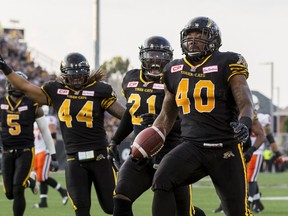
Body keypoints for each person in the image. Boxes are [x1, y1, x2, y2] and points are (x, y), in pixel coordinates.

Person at [138, 16, 255, 216]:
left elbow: (245, 100)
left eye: (200, 36)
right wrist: (149, 137)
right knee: (162, 181)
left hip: (224, 147)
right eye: (189, 36)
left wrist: (244, 122)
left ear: (214, 40)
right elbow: (167, 115)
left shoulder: (227, 62)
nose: (193, 40)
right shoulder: (174, 69)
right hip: (191, 145)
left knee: (237, 212)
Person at [0, 52, 126, 216]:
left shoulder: (100, 90)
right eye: (73, 76)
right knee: (81, 209)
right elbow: (24, 86)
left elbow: (126, 115)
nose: (77, 80)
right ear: (64, 75)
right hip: (74, 160)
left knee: (111, 207)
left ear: (86, 73)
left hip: (100, 157)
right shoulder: (55, 90)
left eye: (80, 76)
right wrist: (4, 66)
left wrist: (124, 134)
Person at [108, 36, 205, 216]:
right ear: (142, 57)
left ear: (169, 58)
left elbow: (189, 121)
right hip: (141, 154)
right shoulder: (130, 78)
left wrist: (158, 126)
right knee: (120, 196)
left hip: (171, 155)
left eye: (160, 56)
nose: (155, 61)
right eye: (151, 55)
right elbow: (131, 113)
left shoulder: (177, 78)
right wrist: (115, 140)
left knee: (183, 212)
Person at [0, 71, 58, 216]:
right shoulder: (1, 103)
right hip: (7, 151)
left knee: (18, 188)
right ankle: (30, 181)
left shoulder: (32, 105)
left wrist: (54, 156)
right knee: (9, 193)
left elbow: (45, 131)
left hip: (25, 151)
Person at [33, 105, 68, 208]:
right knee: (41, 178)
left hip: (45, 151)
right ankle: (43, 202)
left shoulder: (49, 119)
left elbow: (53, 136)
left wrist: (50, 152)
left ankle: (62, 191)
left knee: (42, 177)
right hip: (37, 151)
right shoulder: (34, 121)